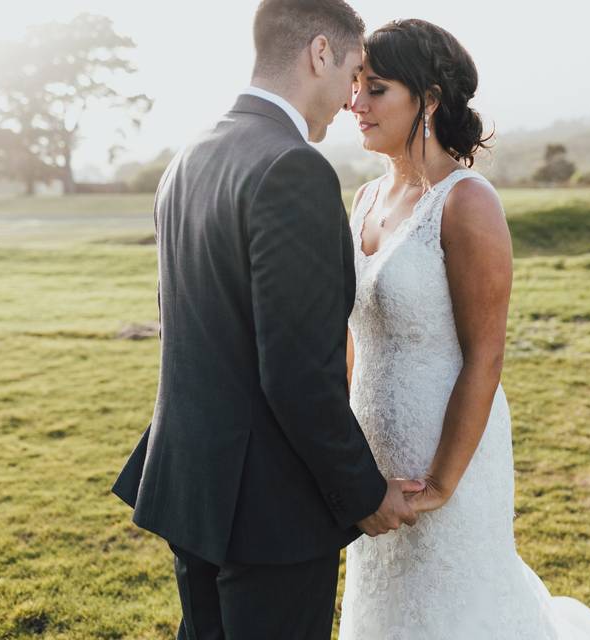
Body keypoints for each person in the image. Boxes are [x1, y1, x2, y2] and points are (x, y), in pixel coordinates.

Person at [110, 2, 424, 638]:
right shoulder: (294, 167)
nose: (350, 98)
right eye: (353, 72)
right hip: (267, 509)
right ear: (318, 54)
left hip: (191, 484)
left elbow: (179, 317)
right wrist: (364, 494)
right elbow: (298, 371)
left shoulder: (191, 154)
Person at [338, 19, 590, 639]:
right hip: (371, 460)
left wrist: (442, 483)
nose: (354, 103)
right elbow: (356, 341)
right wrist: (345, 458)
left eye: (376, 88)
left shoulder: (467, 202)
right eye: (356, 84)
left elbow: (485, 357)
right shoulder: (362, 199)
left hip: (450, 453)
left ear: (430, 97)